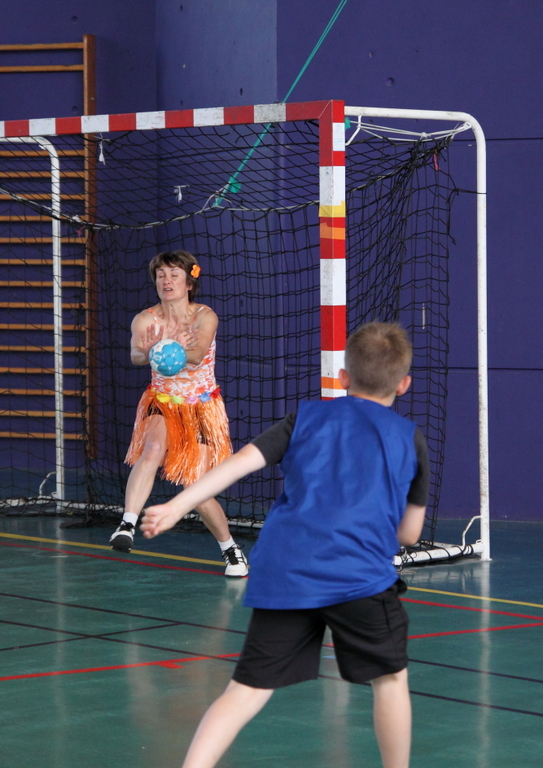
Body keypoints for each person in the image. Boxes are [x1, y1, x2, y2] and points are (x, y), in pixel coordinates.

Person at [141, 322, 429, 768]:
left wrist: (177, 506)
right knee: (390, 681)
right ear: (404, 384)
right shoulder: (409, 438)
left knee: (245, 691)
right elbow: (409, 534)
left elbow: (240, 463)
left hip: (286, 571)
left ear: (343, 377)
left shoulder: (305, 418)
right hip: (359, 577)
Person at [109, 249, 248, 578]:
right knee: (153, 448)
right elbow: (136, 356)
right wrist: (153, 349)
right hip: (161, 399)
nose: (166, 281)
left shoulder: (204, 316)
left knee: (196, 489)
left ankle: (230, 548)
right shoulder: (145, 320)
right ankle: (127, 524)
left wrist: (168, 345)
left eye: (174, 275)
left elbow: (196, 356)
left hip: (200, 405)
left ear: (189, 283)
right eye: (161, 275)